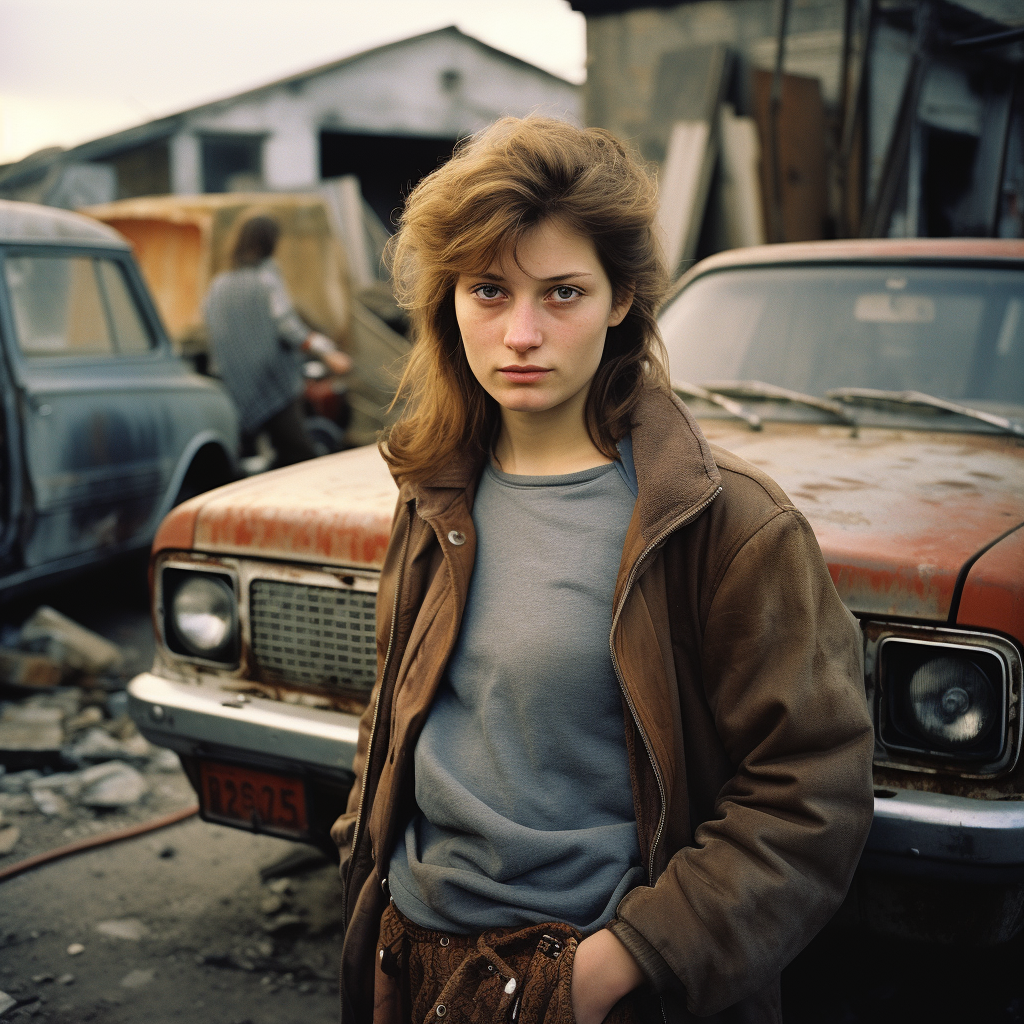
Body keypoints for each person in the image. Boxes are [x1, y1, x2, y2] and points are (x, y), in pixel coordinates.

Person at [332, 117, 875, 1024]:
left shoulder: (725, 523)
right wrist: (371, 885)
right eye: (490, 291)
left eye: (563, 293)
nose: (521, 333)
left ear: (623, 299)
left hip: (592, 979)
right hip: (412, 955)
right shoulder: (433, 491)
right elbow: (395, 712)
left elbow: (810, 789)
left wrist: (630, 959)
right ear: (449, 300)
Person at [203, 214, 352, 467]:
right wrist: (329, 352)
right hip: (272, 380)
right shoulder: (266, 280)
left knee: (243, 463)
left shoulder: (218, 285)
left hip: (233, 382)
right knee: (298, 456)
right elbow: (290, 328)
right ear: (268, 242)